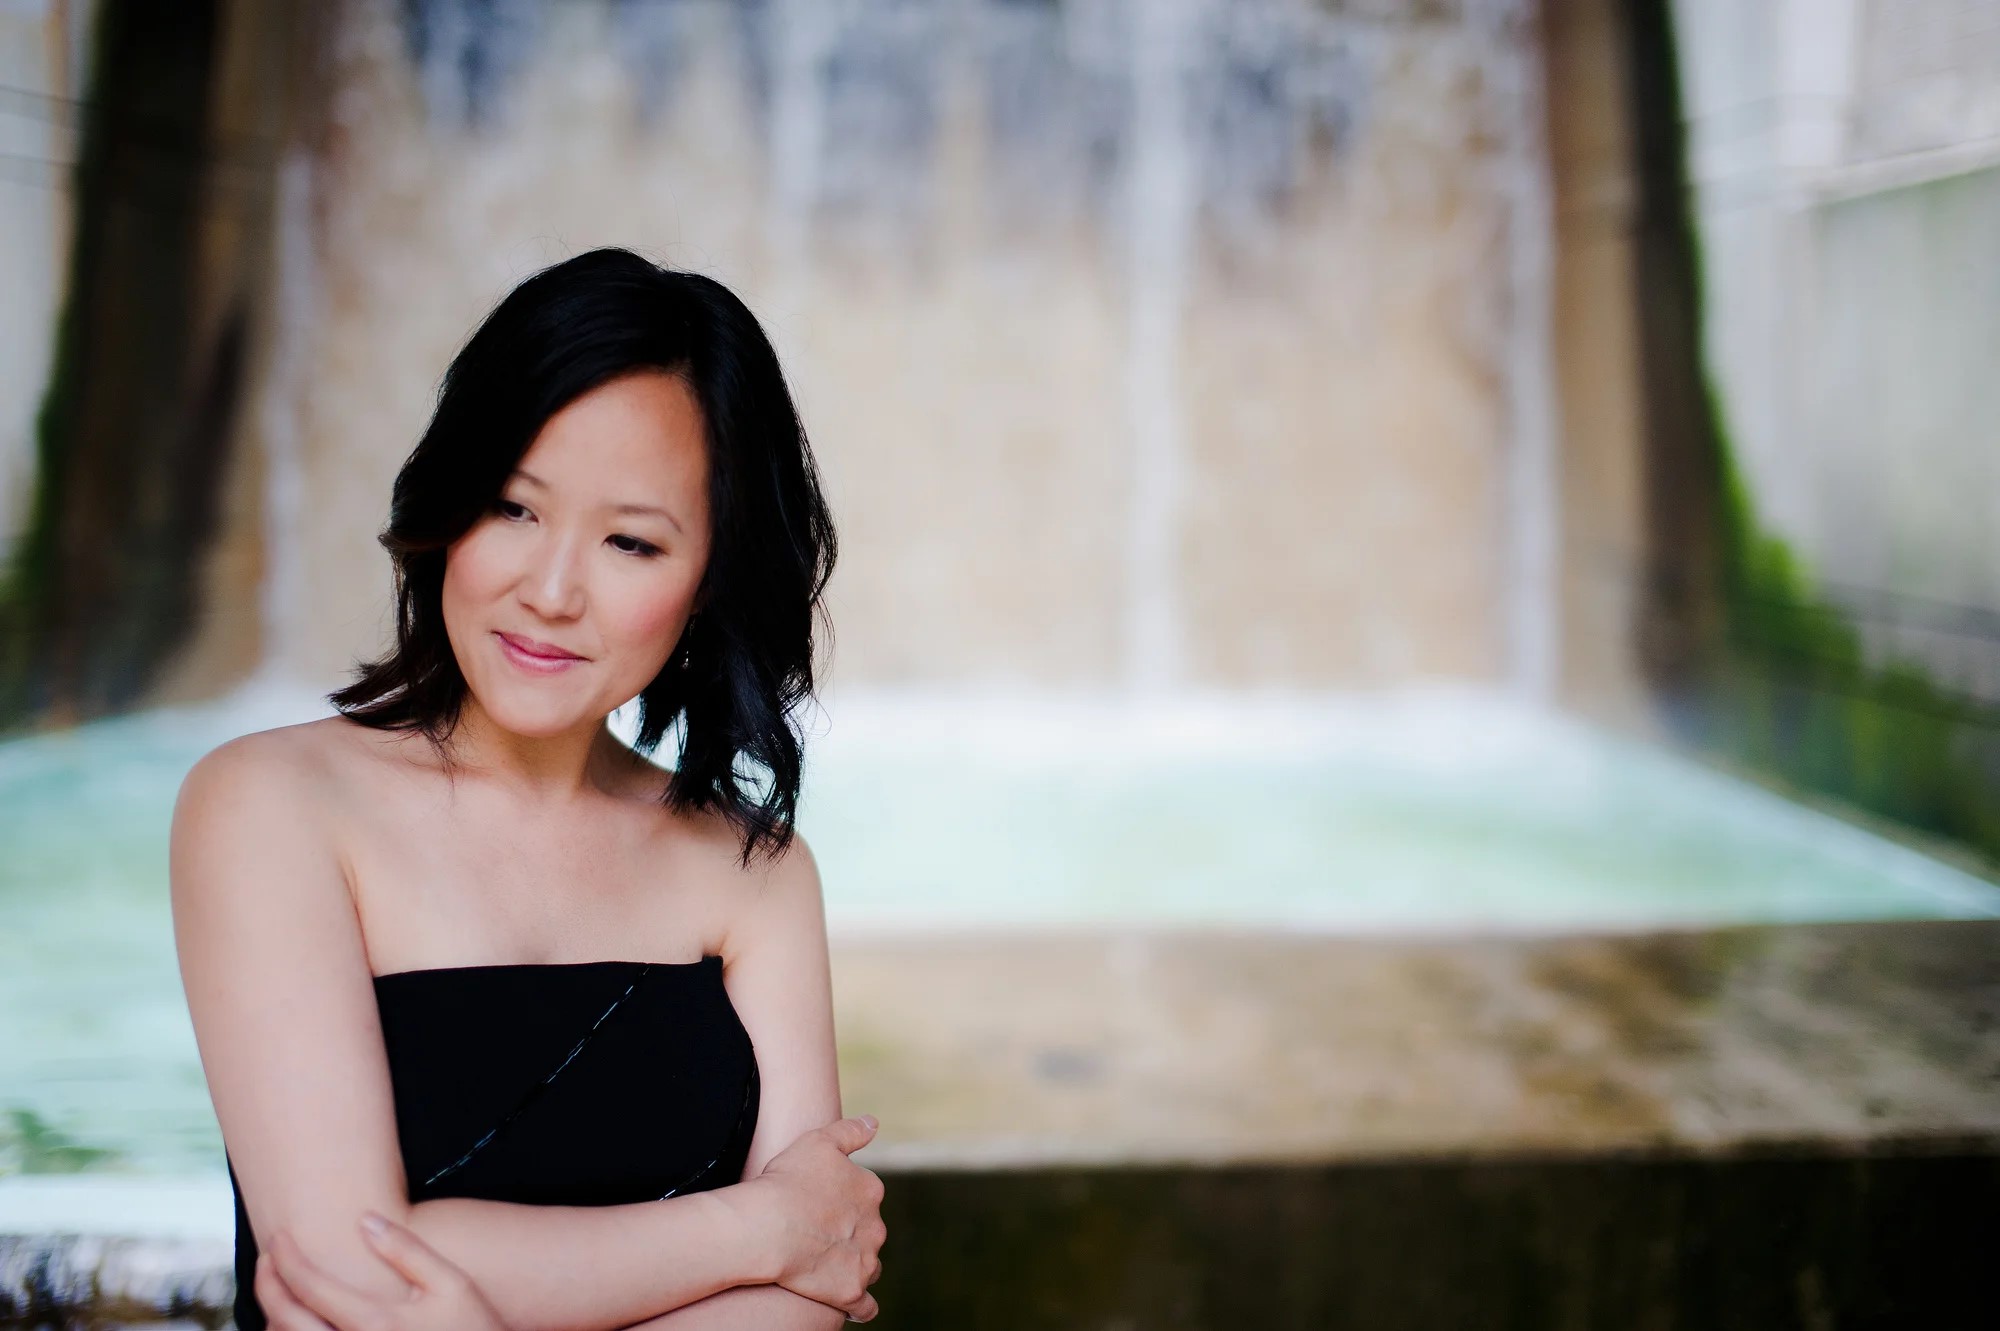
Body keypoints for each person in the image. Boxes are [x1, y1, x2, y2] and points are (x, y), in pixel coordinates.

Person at [170, 247, 887, 1330]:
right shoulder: (269, 805)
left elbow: (801, 1306)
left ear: (708, 581)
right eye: (512, 507)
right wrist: (757, 1226)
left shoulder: (757, 875)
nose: (549, 591)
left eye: (630, 541)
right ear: (447, 504)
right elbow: (345, 1273)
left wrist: (461, 1283)